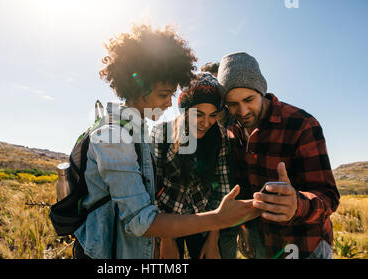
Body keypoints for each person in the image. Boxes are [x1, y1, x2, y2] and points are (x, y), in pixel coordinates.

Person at [73, 25, 261, 259]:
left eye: (171, 95)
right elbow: (141, 221)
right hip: (106, 251)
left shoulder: (137, 128)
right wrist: (218, 218)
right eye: (163, 94)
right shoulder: (115, 135)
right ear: (137, 85)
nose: (167, 104)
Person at [217, 52, 340, 259]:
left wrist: (298, 205)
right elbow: (243, 187)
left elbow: (328, 196)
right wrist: (245, 228)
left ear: (261, 92)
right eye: (233, 104)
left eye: (249, 99)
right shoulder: (232, 129)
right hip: (261, 244)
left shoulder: (302, 124)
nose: (243, 111)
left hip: (304, 245)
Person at [151, 72, 237, 259]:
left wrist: (213, 238)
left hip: (205, 218)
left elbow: (222, 190)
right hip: (168, 218)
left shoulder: (220, 137)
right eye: (198, 114)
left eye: (213, 115)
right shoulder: (161, 133)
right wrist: (166, 238)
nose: (206, 123)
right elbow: (153, 187)